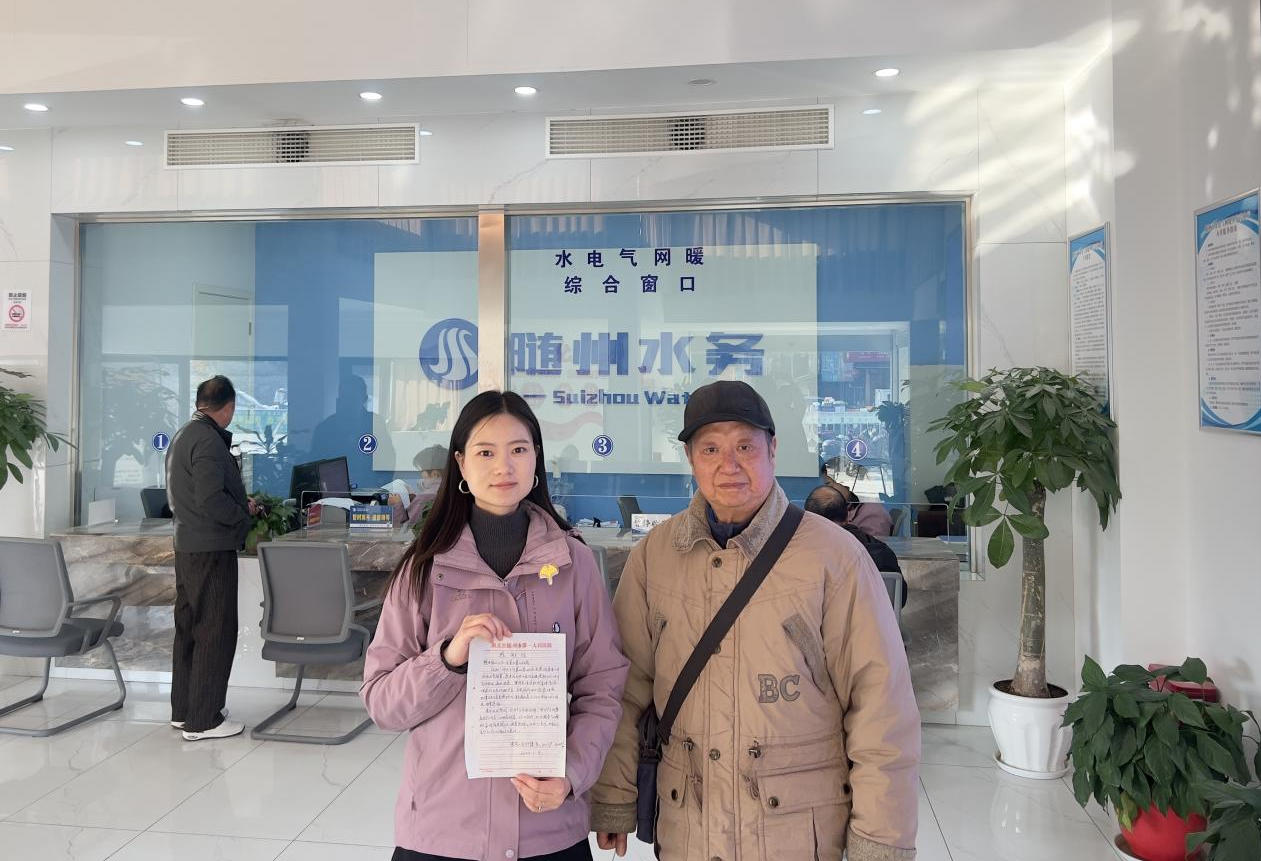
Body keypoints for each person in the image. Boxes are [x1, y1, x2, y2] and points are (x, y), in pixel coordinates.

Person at [591, 380, 919, 860]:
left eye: (745, 446)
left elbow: (880, 706)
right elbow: (624, 690)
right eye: (710, 449)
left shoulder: (835, 557)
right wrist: (614, 798)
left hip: (796, 833)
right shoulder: (654, 556)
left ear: (773, 450)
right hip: (687, 831)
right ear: (691, 459)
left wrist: (880, 842)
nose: (729, 464)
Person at [361, 390, 630, 861]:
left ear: (536, 459)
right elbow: (382, 703)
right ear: (461, 464)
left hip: (549, 826)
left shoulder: (575, 563)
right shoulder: (424, 568)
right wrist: (447, 659)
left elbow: (602, 689)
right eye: (485, 452)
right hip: (444, 830)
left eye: (518, 450)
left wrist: (571, 773)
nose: (503, 466)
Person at [165, 375, 257, 741]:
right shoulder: (208, 440)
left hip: (188, 546)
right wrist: (243, 516)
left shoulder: (184, 435)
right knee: (214, 631)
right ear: (229, 407)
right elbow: (210, 498)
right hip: (210, 548)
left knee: (190, 629)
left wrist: (237, 503)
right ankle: (204, 720)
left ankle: (185, 710)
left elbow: (199, 492)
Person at [804, 483, 906, 606]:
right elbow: (900, 600)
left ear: (807, 521)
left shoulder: (803, 558)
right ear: (847, 517)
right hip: (879, 617)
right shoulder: (882, 553)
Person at [819, 463, 894, 537]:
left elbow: (874, 544)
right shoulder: (841, 509)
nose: (825, 490)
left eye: (828, 484)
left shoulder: (872, 513)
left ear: (845, 484)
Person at [405, 443, 448, 526]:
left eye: (422, 471)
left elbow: (407, 525)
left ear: (435, 474)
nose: (421, 475)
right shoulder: (455, 490)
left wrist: (398, 504)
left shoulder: (425, 497)